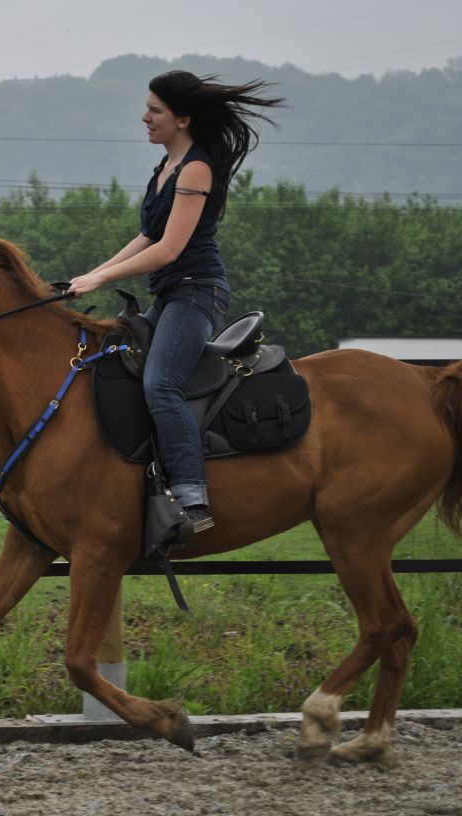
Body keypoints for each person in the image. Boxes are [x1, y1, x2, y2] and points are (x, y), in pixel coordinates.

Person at [67, 71, 283, 535]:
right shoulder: (164, 167)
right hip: (169, 294)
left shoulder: (196, 169)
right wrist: (91, 275)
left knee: (161, 384)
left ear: (183, 119)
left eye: (155, 110)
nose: (145, 117)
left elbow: (168, 249)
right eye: (147, 108)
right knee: (119, 366)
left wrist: (102, 277)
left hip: (197, 291)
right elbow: (147, 236)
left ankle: (191, 497)